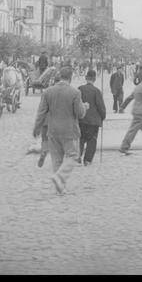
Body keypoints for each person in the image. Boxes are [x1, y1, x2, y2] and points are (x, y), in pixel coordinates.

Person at [32, 66, 88, 195]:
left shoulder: (48, 92)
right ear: (70, 77)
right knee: (73, 155)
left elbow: (41, 113)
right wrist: (84, 106)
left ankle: (60, 188)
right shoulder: (75, 93)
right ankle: (60, 177)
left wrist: (36, 128)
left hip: (52, 130)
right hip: (69, 131)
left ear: (59, 77)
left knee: (56, 159)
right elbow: (80, 114)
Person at [78, 69, 107, 166]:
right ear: (94, 79)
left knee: (80, 139)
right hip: (93, 121)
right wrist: (102, 117)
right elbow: (101, 107)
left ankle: (77, 157)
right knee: (92, 140)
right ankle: (87, 160)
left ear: (86, 78)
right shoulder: (97, 91)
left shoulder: (80, 89)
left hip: (81, 119)